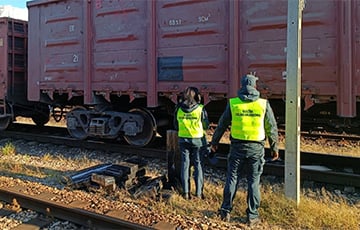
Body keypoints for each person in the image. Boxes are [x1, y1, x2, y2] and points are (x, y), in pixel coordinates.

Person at [210, 74, 279, 226]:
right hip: (256, 149)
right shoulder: (263, 104)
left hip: (237, 148)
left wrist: (214, 143)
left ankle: (225, 211)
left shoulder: (233, 103)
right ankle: (252, 216)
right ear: (255, 87)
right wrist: (275, 148)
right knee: (253, 182)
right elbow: (271, 128)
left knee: (232, 178)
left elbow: (221, 125)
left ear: (241, 86)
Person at [174, 86, 209, 200]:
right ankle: (198, 194)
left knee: (185, 164)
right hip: (198, 140)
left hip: (183, 140)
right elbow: (206, 126)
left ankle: (186, 193)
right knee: (198, 165)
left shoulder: (178, 109)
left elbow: (175, 125)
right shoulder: (200, 109)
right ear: (197, 97)